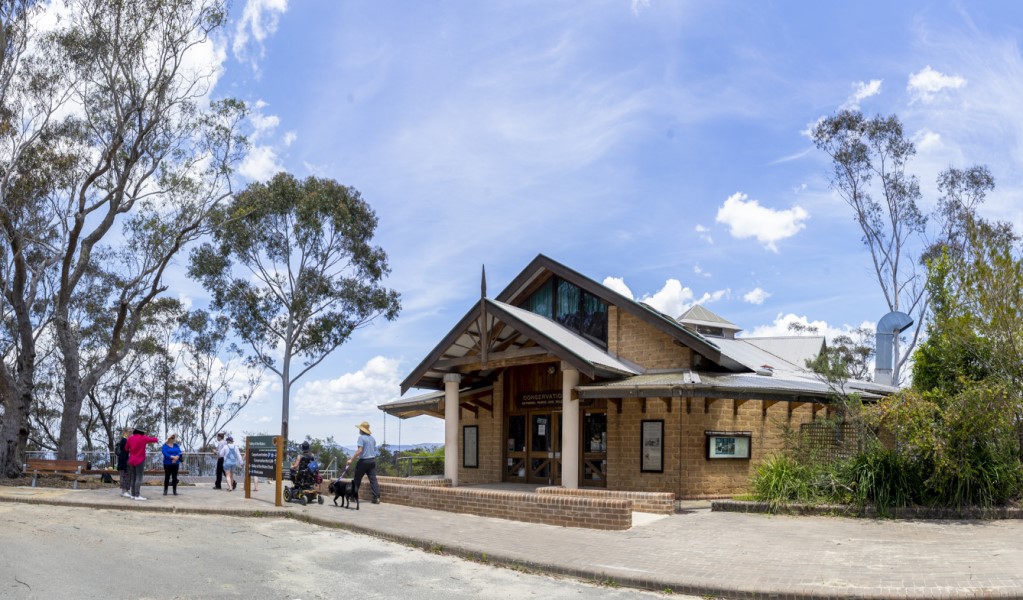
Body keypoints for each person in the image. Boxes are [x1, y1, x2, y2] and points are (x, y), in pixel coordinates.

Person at [346, 421, 380, 504]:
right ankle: (376, 497)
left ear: (362, 430)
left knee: (357, 479)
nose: (359, 430)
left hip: (364, 461)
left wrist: (351, 459)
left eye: (360, 429)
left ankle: (353, 497)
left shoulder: (361, 438)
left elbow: (360, 450)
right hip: (372, 460)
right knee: (373, 479)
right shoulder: (372, 438)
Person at [125, 427, 158, 501]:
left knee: (133, 478)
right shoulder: (143, 438)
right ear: (141, 432)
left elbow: (126, 448)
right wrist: (156, 438)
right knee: (139, 478)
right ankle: (137, 495)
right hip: (140, 460)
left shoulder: (130, 438)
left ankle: (133, 495)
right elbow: (154, 440)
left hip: (131, 460)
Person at [115, 427, 131, 498]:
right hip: (124, 460)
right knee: (124, 475)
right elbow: (126, 450)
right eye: (129, 431)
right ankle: (125, 491)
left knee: (126, 475)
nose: (131, 433)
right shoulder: (124, 440)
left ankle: (125, 491)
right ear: (125, 432)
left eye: (131, 432)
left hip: (125, 460)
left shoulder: (125, 439)